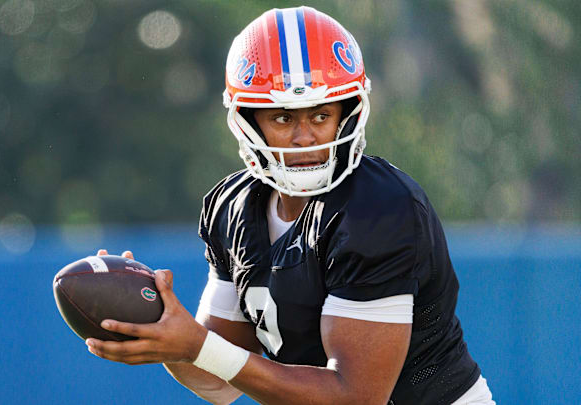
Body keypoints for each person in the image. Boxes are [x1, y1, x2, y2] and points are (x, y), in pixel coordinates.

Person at [87, 6, 495, 405]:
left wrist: (196, 344)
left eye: (320, 115)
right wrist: (157, 326)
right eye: (283, 119)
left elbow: (356, 398)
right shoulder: (232, 208)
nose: (305, 138)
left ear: (346, 116)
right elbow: (216, 381)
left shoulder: (380, 208)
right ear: (249, 121)